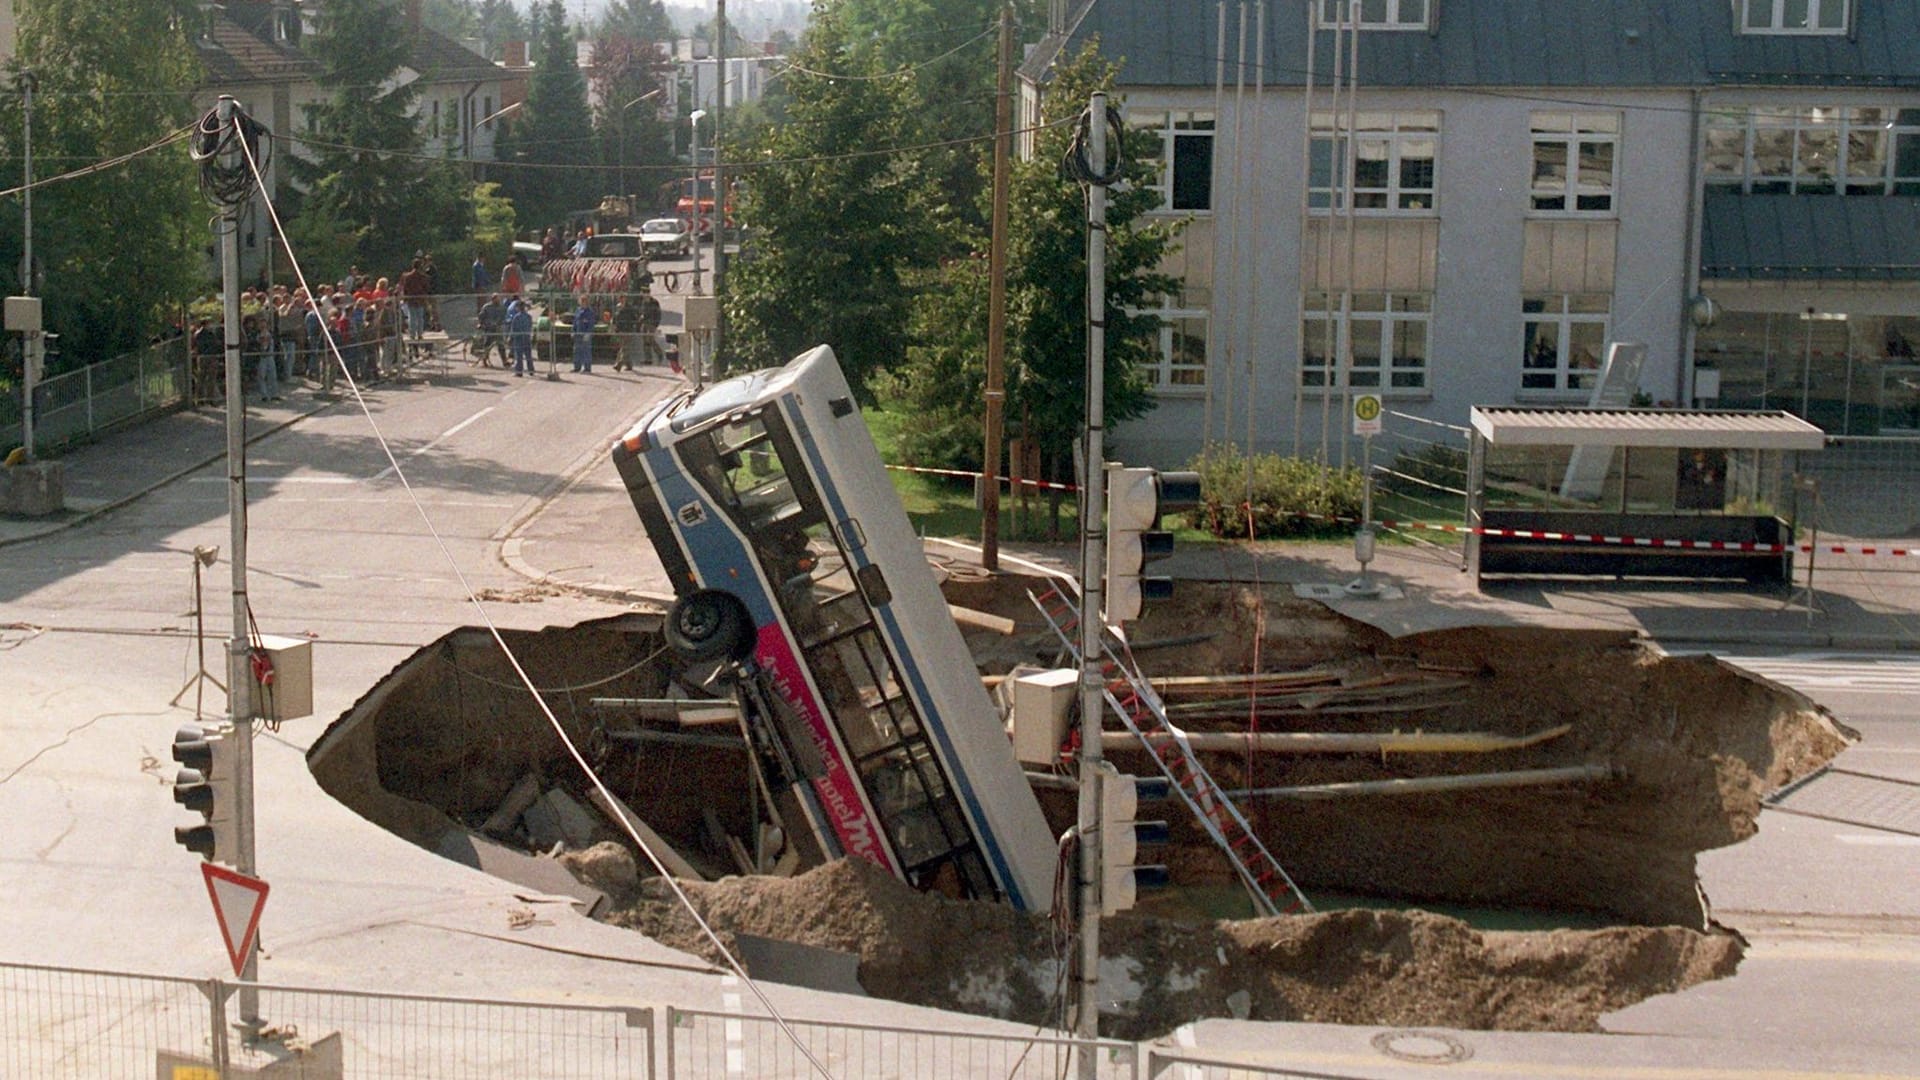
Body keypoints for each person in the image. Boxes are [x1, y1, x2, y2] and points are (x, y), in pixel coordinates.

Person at [191, 316, 222, 405]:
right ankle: (208, 398)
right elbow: (215, 344)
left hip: (203, 356)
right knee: (209, 378)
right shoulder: (209, 334)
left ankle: (201, 399)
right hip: (209, 356)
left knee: (202, 378)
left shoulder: (197, 334)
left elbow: (194, 345)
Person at [398, 258, 429, 339]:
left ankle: (412, 334)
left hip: (411, 299)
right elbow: (426, 288)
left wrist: (405, 298)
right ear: (420, 266)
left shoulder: (407, 276)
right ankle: (420, 334)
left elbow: (405, 288)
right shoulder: (423, 277)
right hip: (420, 299)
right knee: (420, 318)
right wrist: (425, 297)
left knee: (412, 317)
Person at [474, 293, 506, 367]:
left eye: (499, 299)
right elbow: (481, 316)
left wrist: (502, 322)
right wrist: (481, 323)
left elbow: (503, 317)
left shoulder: (501, 308)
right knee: (487, 345)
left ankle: (504, 361)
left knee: (501, 345)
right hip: (489, 328)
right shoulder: (487, 307)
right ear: (493, 299)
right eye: (496, 299)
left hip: (498, 329)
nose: (498, 300)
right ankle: (484, 360)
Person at [611, 295, 640, 371]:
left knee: (624, 348)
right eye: (620, 298)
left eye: (623, 298)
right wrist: (614, 327)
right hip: (620, 330)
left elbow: (635, 318)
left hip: (628, 330)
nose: (621, 300)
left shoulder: (629, 308)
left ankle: (619, 364)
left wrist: (633, 326)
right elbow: (614, 319)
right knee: (623, 348)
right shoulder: (617, 307)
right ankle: (629, 365)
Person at [571, 298, 597, 373]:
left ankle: (587, 368)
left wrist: (588, 334)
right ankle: (577, 367)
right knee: (576, 350)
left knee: (586, 351)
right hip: (578, 334)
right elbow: (575, 322)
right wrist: (573, 331)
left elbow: (591, 324)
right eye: (581, 301)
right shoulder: (577, 310)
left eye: (584, 301)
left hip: (586, 334)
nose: (583, 303)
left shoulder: (590, 312)